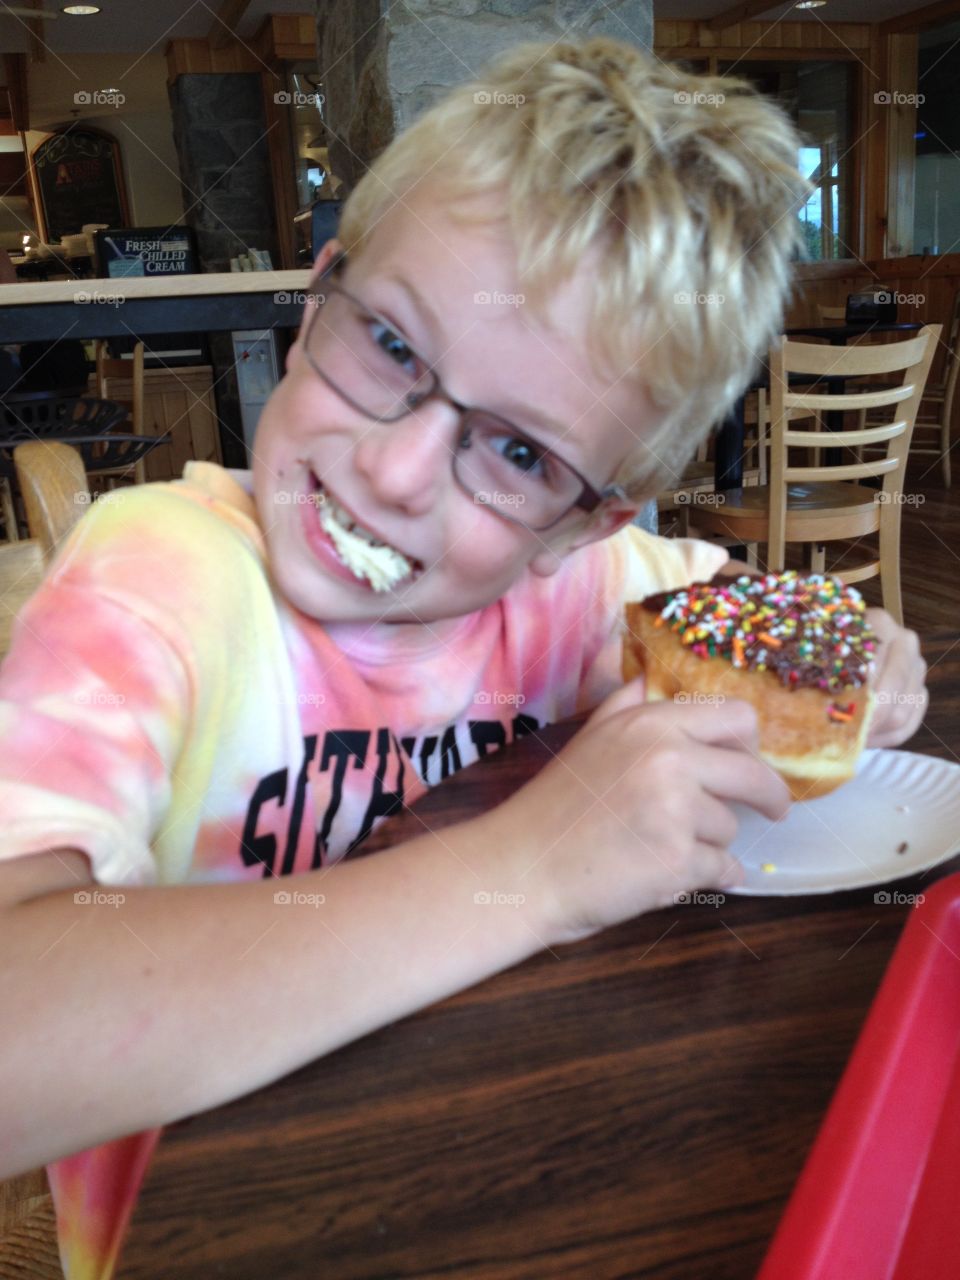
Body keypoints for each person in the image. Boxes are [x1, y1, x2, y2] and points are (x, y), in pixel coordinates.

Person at [0, 37, 926, 1280]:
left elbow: (765, 616)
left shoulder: (586, 588)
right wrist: (532, 868)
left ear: (588, 520)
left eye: (521, 455)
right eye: (389, 344)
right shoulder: (158, 581)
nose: (391, 471)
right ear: (324, 283)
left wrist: (862, 655)